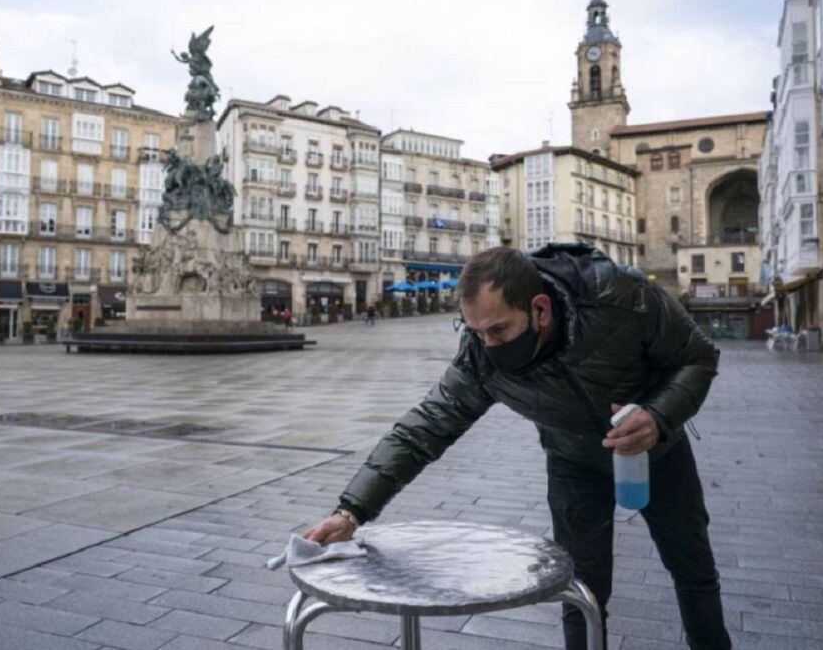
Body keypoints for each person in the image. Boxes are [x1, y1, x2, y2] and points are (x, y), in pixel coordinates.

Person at [303, 244, 731, 650]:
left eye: (499, 329)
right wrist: (351, 511)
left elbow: (697, 356)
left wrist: (658, 417)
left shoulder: (619, 296)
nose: (489, 345)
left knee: (693, 569)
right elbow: (423, 429)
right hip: (573, 462)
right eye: (475, 331)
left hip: (657, 451)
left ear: (540, 309)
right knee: (581, 589)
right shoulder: (481, 358)